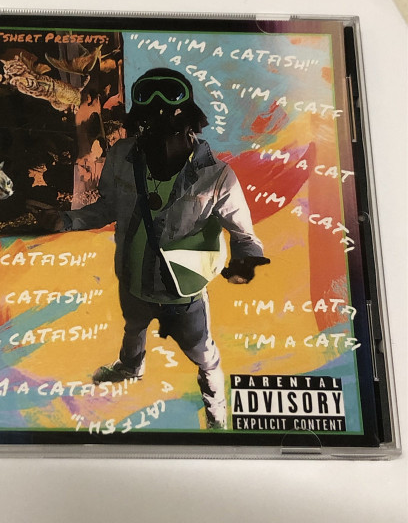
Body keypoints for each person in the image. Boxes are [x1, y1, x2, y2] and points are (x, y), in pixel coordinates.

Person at [39, 68, 269, 429]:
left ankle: (217, 411)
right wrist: (68, 220)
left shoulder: (218, 176)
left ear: (190, 120)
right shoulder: (121, 156)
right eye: (149, 113)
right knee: (133, 327)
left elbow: (245, 236)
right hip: (133, 280)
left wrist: (245, 262)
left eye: (171, 112)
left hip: (183, 295)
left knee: (204, 356)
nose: (161, 125)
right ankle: (130, 367)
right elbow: (108, 207)